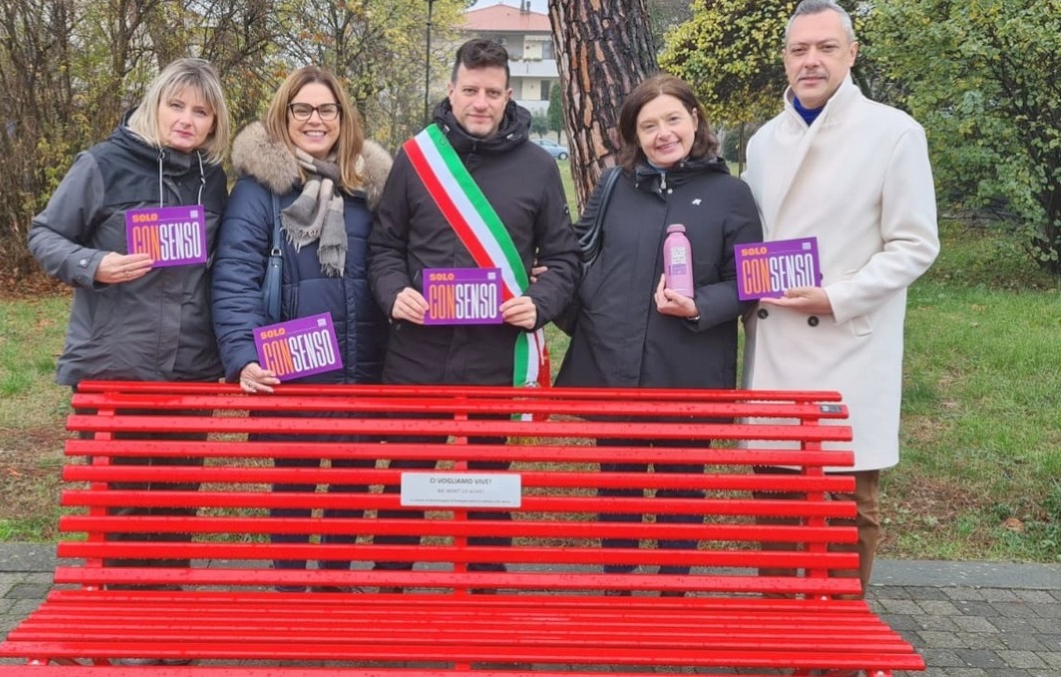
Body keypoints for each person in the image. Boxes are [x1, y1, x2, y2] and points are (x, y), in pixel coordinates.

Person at [28, 57, 230, 666]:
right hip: (115, 366)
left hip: (190, 369)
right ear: (155, 105)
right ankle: (112, 631)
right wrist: (94, 265)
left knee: (173, 503)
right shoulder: (102, 163)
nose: (187, 120)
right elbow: (44, 235)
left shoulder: (213, 181)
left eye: (201, 111)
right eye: (178, 106)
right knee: (117, 505)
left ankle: (163, 631)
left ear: (214, 121)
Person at [743, 0, 940, 604]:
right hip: (778, 349)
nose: (811, 61)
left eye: (825, 47)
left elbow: (915, 244)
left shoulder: (894, 131)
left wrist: (838, 296)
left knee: (851, 507)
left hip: (849, 345)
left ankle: (842, 639)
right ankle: (783, 636)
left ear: (851, 54)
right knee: (776, 503)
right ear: (784, 59)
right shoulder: (762, 141)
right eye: (799, 49)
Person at [367, 38, 580, 579]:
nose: (480, 103)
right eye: (470, 90)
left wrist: (539, 304)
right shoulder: (417, 158)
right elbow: (384, 246)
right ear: (451, 90)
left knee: (488, 483)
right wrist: (394, 294)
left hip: (494, 355)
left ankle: (486, 601)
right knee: (406, 483)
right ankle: (390, 602)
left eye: (491, 92)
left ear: (508, 95)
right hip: (418, 353)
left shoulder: (537, 167)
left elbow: (562, 259)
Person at [555, 74, 762, 591]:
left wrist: (702, 304)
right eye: (648, 125)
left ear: (695, 119)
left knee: (681, 490)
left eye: (672, 119)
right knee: (618, 488)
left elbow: (749, 281)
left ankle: (672, 592)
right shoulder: (614, 186)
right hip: (615, 362)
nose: (662, 133)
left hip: (690, 365)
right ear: (634, 134)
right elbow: (579, 256)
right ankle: (619, 590)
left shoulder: (732, 193)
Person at [211, 66, 392, 589]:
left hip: (362, 361)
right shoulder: (259, 190)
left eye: (326, 109)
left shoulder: (368, 187)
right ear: (284, 114)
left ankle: (334, 584)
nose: (316, 120)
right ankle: (289, 588)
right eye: (303, 109)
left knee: (352, 485)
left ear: (343, 117)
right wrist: (243, 353)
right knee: (292, 486)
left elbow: (399, 258)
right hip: (290, 364)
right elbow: (235, 277)